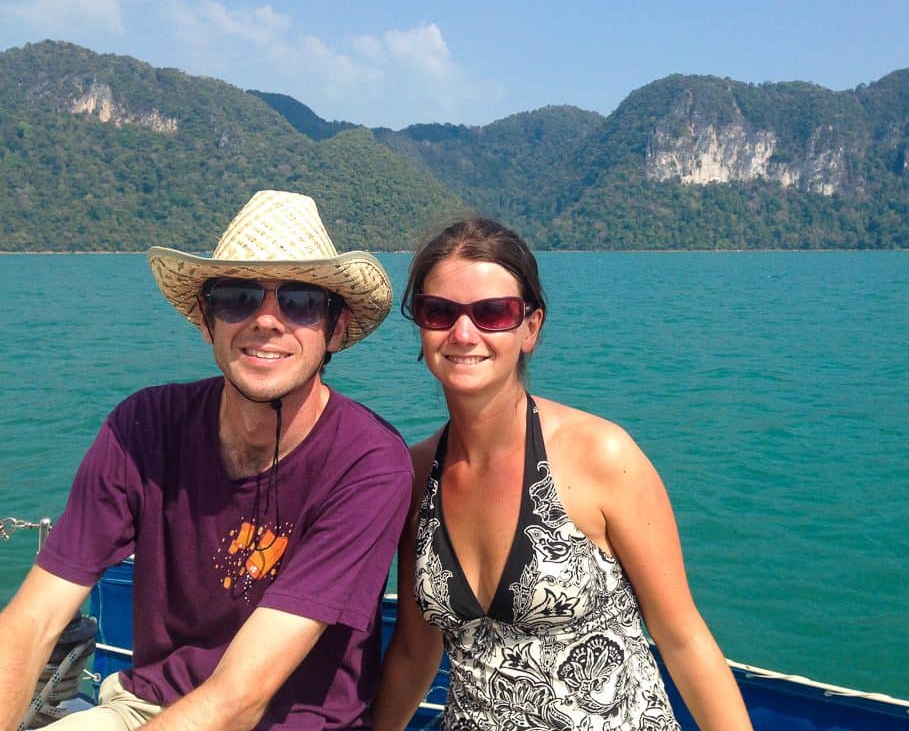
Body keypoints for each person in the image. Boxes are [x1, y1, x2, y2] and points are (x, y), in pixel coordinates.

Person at [0, 190, 413, 731]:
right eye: (238, 296)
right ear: (206, 320)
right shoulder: (142, 427)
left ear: (334, 328)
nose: (267, 321)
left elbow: (240, 696)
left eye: (301, 301)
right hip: (144, 710)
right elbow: (30, 622)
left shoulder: (369, 464)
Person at [371, 217, 752, 731]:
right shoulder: (418, 476)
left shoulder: (599, 455)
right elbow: (416, 654)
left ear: (530, 328)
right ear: (421, 324)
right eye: (439, 311)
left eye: (493, 313)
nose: (464, 333)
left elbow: (681, 638)